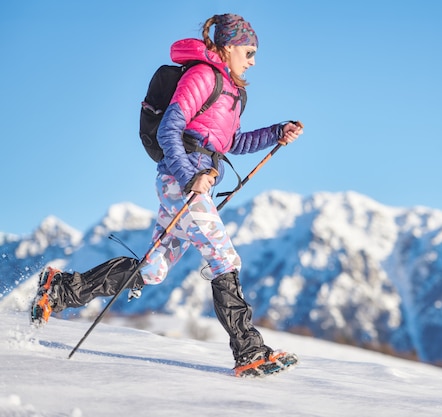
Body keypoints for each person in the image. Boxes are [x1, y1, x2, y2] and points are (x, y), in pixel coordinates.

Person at [30, 13, 303, 378]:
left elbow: (231, 142)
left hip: (191, 183)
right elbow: (169, 131)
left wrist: (276, 133)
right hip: (182, 183)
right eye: (249, 52)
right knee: (224, 257)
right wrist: (190, 177)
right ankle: (249, 351)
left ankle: (62, 289)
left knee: (154, 270)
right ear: (227, 46)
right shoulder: (202, 76)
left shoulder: (234, 92)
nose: (253, 61)